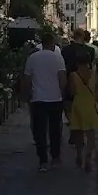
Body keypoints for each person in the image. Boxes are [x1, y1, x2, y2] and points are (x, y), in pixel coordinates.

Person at [22, 31, 68, 171]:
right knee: (55, 129)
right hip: (55, 98)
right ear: (52, 43)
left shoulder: (32, 58)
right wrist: (63, 93)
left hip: (38, 99)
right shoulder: (58, 58)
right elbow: (62, 78)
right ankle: (55, 157)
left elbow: (27, 79)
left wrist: (26, 94)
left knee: (39, 131)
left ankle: (43, 161)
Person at [68, 51, 98, 172]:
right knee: (91, 135)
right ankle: (88, 156)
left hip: (78, 105)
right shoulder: (93, 74)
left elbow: (72, 92)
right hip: (90, 105)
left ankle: (79, 154)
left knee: (79, 133)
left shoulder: (73, 75)